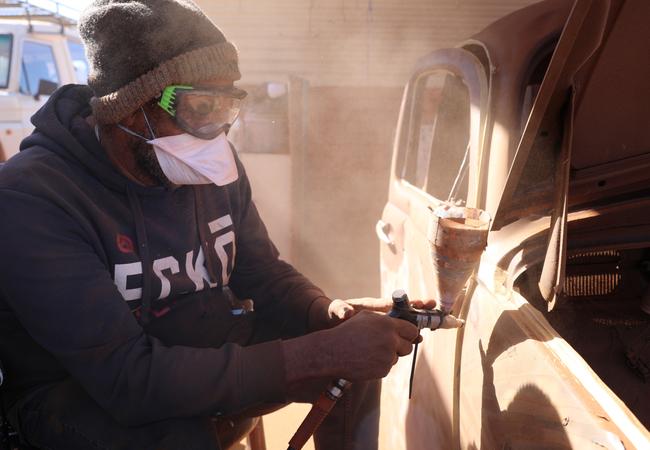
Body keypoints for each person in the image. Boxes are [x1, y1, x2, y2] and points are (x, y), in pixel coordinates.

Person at [0, 1, 427, 449]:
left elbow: (261, 272)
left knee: (352, 351)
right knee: (178, 435)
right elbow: (127, 380)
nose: (216, 133)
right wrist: (310, 357)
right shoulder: (32, 200)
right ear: (126, 108)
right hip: (80, 393)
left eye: (226, 106)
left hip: (192, 351)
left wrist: (324, 313)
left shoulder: (198, 162)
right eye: (200, 106)